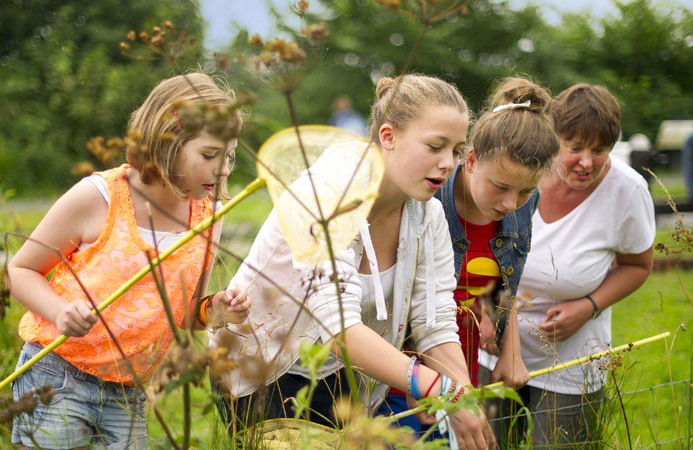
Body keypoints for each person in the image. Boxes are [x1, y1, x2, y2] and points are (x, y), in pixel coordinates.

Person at [212, 74, 496, 449]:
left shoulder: (429, 217)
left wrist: (464, 399)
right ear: (388, 136)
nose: (447, 163)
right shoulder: (326, 193)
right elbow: (339, 330)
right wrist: (433, 385)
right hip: (264, 376)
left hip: (348, 382)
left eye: (457, 151)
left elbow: (436, 321)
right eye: (434, 146)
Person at [6, 72, 251, 449]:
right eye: (209, 155)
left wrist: (216, 309)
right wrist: (58, 312)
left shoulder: (208, 217)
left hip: (127, 392)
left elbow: (184, 314)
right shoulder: (99, 198)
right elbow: (21, 270)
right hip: (58, 374)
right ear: (165, 141)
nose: (223, 169)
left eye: (230, 156)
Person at [478, 83, 655, 447]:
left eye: (600, 150)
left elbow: (637, 265)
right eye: (574, 148)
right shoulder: (518, 174)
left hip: (570, 366)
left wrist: (588, 306)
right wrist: (484, 307)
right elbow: (484, 247)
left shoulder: (628, 190)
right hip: (491, 351)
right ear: (552, 138)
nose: (587, 162)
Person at [383, 77, 560, 438]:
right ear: (473, 159)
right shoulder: (426, 202)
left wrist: (509, 345)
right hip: (404, 371)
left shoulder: (522, 209)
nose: (511, 204)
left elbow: (503, 279)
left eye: (526, 191)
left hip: (462, 364)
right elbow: (410, 301)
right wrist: (426, 385)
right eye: (501, 187)